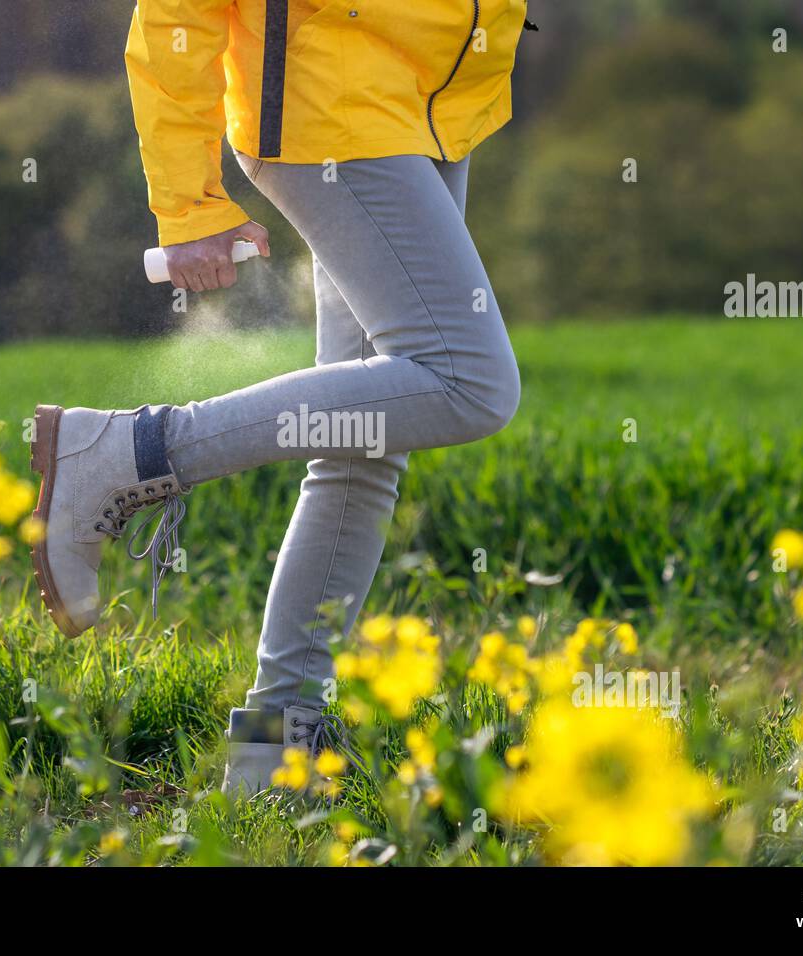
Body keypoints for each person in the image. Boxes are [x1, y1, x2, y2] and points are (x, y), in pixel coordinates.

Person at [29, 1, 527, 794]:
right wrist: (187, 205)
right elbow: (176, 11)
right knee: (469, 382)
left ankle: (272, 753)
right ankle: (127, 451)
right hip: (332, 110)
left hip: (424, 97)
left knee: (362, 447)